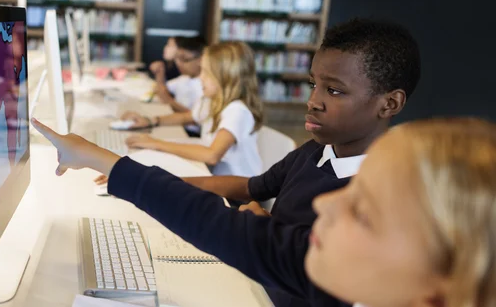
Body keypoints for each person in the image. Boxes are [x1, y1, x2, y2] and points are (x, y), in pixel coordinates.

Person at [103, 18, 422, 305]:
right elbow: (251, 187)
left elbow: (294, 264)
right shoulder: (312, 152)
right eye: (314, 85)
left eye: (334, 91)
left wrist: (261, 222)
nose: (313, 101)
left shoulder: (378, 202)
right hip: (254, 282)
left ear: (389, 103)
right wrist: (169, 182)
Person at [33, 115, 496, 307]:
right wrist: (101, 158)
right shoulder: (324, 269)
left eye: (364, 211)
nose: (326, 203)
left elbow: (223, 225)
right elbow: (221, 224)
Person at [126, 42, 264, 177]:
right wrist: (151, 121)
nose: (201, 78)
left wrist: (157, 144)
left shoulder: (237, 110)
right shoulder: (212, 100)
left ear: (227, 78)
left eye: (206, 73)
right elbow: (188, 117)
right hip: (215, 176)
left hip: (240, 192)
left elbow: (212, 155)